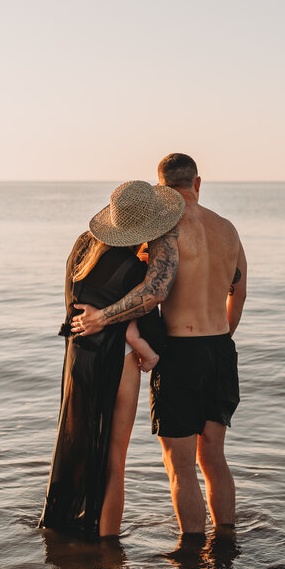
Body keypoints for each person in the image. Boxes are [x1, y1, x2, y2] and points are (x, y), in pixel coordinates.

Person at [72, 153, 248, 538]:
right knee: (215, 458)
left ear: (162, 192)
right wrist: (223, 338)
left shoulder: (168, 229)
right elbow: (239, 292)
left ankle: (190, 560)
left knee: (180, 465)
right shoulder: (229, 229)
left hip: (181, 354)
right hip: (220, 349)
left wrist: (102, 316)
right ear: (197, 183)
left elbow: (154, 292)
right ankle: (226, 548)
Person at [40, 180, 185, 539]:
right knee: (114, 462)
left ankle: (67, 534)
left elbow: (74, 305)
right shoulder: (135, 272)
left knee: (76, 445)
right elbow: (151, 326)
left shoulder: (81, 249)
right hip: (116, 361)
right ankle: (107, 547)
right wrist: (140, 341)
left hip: (78, 358)